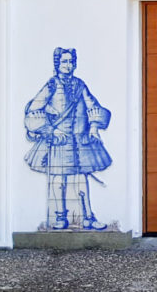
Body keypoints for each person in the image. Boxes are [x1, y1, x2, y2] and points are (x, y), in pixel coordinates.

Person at [23, 47, 112, 230]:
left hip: (79, 141)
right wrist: (51, 130)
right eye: (64, 61)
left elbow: (92, 106)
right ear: (57, 64)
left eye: (70, 61)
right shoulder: (52, 85)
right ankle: (59, 218)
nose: (68, 65)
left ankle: (88, 217)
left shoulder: (80, 84)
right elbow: (34, 109)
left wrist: (94, 127)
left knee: (82, 180)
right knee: (58, 180)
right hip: (59, 142)